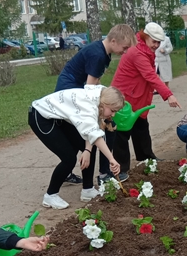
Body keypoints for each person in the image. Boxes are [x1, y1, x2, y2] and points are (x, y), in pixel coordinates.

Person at [55, 24, 136, 186]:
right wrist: (103, 112)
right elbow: (90, 90)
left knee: (100, 129)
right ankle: (104, 173)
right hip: (69, 93)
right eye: (125, 47)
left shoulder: (103, 52)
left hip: (76, 92)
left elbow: (96, 83)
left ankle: (71, 169)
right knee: (105, 128)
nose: (125, 51)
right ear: (113, 41)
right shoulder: (98, 55)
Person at [29, 85, 124, 209]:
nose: (113, 114)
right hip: (41, 116)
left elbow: (91, 131)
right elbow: (95, 135)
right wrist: (112, 159)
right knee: (68, 158)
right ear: (105, 104)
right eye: (112, 110)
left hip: (59, 118)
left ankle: (88, 190)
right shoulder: (88, 106)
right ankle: (50, 196)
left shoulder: (101, 96)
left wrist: (87, 150)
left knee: (91, 147)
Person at [111, 22, 181, 180]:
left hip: (136, 97)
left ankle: (147, 158)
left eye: (158, 42)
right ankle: (120, 169)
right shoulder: (137, 52)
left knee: (141, 128)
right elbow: (150, 76)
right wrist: (168, 94)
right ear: (145, 37)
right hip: (123, 100)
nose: (156, 45)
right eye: (153, 41)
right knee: (122, 133)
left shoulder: (145, 49)